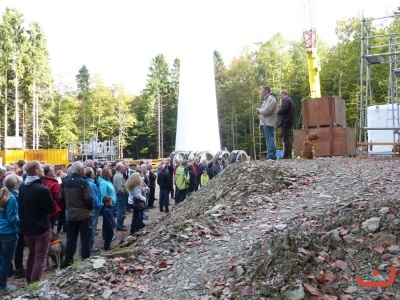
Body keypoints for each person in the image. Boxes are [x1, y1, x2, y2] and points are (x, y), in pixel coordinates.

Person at [18, 161, 55, 283]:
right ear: (36, 171)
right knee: (40, 257)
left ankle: (30, 281)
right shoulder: (42, 189)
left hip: (27, 228)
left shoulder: (22, 186)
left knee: (32, 255)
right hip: (41, 228)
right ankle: (35, 284)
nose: (43, 169)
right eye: (41, 168)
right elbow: (51, 208)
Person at [59, 161, 94, 267]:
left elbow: (60, 200)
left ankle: (68, 262)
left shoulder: (65, 182)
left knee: (70, 239)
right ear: (80, 170)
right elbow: (89, 199)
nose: (85, 170)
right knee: (85, 239)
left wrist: (68, 208)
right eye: (83, 168)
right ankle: (85, 261)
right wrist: (88, 209)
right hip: (84, 215)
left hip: (70, 215)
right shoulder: (84, 182)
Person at [0, 185, 20, 294]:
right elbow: (12, 218)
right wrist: (22, 225)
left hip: (1, 231)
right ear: (15, 185)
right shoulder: (11, 198)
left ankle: (1, 284)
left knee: (2, 259)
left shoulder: (2, 195)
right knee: (6, 261)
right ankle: (3, 286)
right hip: (8, 233)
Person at [256, 85, 278, 160]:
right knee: (269, 138)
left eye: (262, 91)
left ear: (267, 91)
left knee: (269, 139)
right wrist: (260, 111)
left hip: (268, 122)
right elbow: (265, 110)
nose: (261, 93)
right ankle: (272, 155)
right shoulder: (267, 99)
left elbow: (267, 111)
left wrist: (260, 110)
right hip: (266, 121)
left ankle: (270, 156)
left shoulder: (271, 99)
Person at [84, 167, 102, 253]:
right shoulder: (91, 184)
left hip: (90, 208)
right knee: (92, 227)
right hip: (94, 208)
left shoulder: (87, 182)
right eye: (93, 173)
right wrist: (99, 206)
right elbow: (94, 197)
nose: (95, 174)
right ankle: (91, 245)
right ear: (91, 174)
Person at [41, 164, 61, 230]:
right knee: (50, 228)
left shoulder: (40, 181)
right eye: (52, 170)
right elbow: (57, 196)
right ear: (49, 173)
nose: (54, 171)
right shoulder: (54, 183)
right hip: (51, 209)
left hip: (40, 209)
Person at [277, 90, 295, 159]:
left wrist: (278, 111)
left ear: (284, 94)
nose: (279, 96)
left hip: (286, 122)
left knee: (286, 138)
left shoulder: (286, 100)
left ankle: (286, 154)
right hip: (288, 122)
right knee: (288, 138)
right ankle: (289, 154)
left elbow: (283, 109)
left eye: (280, 94)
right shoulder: (289, 100)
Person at [112, 164, 128, 231]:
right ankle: (119, 225)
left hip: (121, 195)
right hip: (121, 195)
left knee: (121, 210)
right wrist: (126, 193)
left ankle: (120, 224)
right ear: (119, 169)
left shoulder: (118, 175)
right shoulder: (118, 176)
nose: (124, 169)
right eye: (123, 168)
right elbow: (120, 188)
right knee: (121, 210)